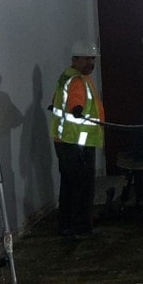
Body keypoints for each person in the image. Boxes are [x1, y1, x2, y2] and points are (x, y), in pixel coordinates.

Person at [49, 40, 104, 239]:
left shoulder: (69, 76)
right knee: (81, 186)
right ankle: (79, 228)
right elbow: (75, 102)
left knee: (71, 185)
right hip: (75, 142)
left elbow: (56, 101)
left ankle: (69, 226)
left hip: (69, 140)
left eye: (92, 59)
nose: (91, 62)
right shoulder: (77, 81)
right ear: (75, 59)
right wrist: (77, 110)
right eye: (87, 59)